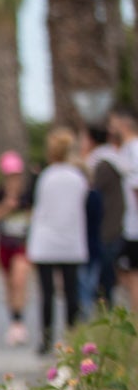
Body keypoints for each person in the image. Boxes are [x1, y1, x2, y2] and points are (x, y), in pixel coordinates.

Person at [26, 128, 91, 354]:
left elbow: (39, 208)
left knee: (47, 294)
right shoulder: (77, 177)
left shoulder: (46, 176)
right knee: (71, 292)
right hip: (71, 240)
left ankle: (46, 338)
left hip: (46, 241)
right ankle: (73, 338)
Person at [0, 151, 35, 347]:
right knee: (9, 284)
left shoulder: (28, 194)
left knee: (19, 280)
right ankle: (14, 321)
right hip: (4, 244)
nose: (14, 180)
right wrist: (6, 206)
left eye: (16, 176)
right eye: (10, 176)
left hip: (22, 245)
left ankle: (20, 322)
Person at [83, 124, 126, 311]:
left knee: (103, 280)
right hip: (112, 228)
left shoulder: (101, 165)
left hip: (106, 230)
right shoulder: (112, 161)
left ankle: (104, 314)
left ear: (91, 140)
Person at [111, 104, 138, 306]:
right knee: (126, 274)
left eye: (113, 122)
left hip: (134, 227)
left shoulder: (135, 149)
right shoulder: (125, 150)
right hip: (127, 226)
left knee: (133, 274)